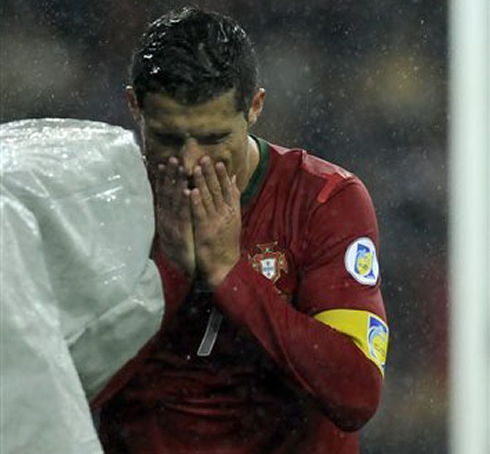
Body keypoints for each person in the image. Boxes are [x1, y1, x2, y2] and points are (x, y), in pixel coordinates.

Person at [97, 7, 389, 454]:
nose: (192, 162)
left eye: (214, 139)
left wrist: (231, 275)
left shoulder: (324, 200)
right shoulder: (105, 203)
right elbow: (65, 387)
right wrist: (170, 271)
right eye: (168, 139)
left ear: (255, 106)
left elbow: (355, 395)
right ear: (134, 105)